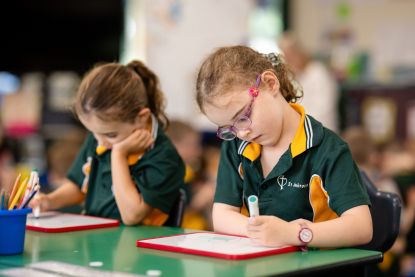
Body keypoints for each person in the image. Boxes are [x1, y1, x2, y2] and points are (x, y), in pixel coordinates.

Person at [195, 45, 372, 249]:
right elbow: (222, 215)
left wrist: (293, 234)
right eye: (229, 128)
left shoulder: (329, 149)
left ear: (270, 84)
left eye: (243, 117)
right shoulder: (237, 145)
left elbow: (361, 227)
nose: (242, 132)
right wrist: (262, 232)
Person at [30, 60, 185, 226]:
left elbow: (132, 216)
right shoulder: (101, 137)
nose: (100, 142)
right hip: (97, 237)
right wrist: (49, 201)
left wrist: (118, 155)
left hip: (137, 245)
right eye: (94, 133)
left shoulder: (163, 156)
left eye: (111, 135)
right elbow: (79, 186)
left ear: (142, 118)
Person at [278, 32, 340, 133]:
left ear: (299, 52)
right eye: (285, 55)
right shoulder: (292, 76)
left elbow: (323, 108)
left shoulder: (318, 73)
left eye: (290, 54)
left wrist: (297, 120)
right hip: (302, 130)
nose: (288, 59)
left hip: (322, 130)